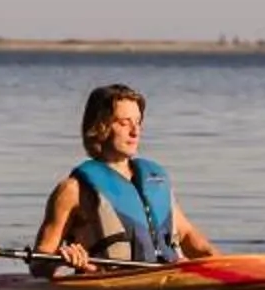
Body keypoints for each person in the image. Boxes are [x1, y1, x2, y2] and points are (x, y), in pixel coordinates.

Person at [33, 83, 217, 273]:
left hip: (166, 277)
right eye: (124, 123)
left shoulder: (156, 181)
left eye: (138, 122)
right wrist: (65, 260)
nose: (135, 132)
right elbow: (39, 264)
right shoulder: (72, 190)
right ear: (100, 127)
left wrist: (223, 264)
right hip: (108, 282)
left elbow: (187, 236)